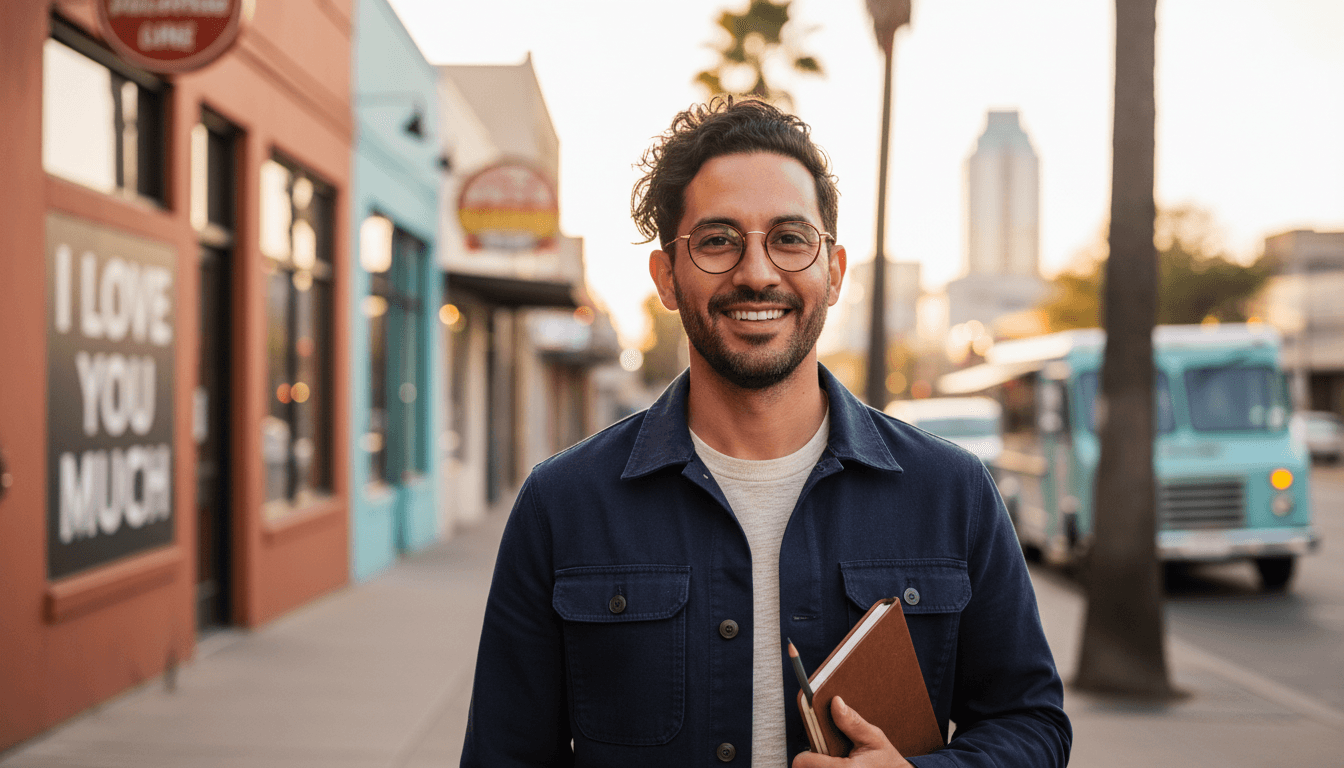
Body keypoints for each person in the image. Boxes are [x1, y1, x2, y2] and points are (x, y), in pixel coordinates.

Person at [460, 98, 1071, 768]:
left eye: (789, 238)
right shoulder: (563, 504)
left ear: (833, 272)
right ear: (667, 276)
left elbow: (1031, 724)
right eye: (719, 240)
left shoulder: (951, 493)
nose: (756, 272)